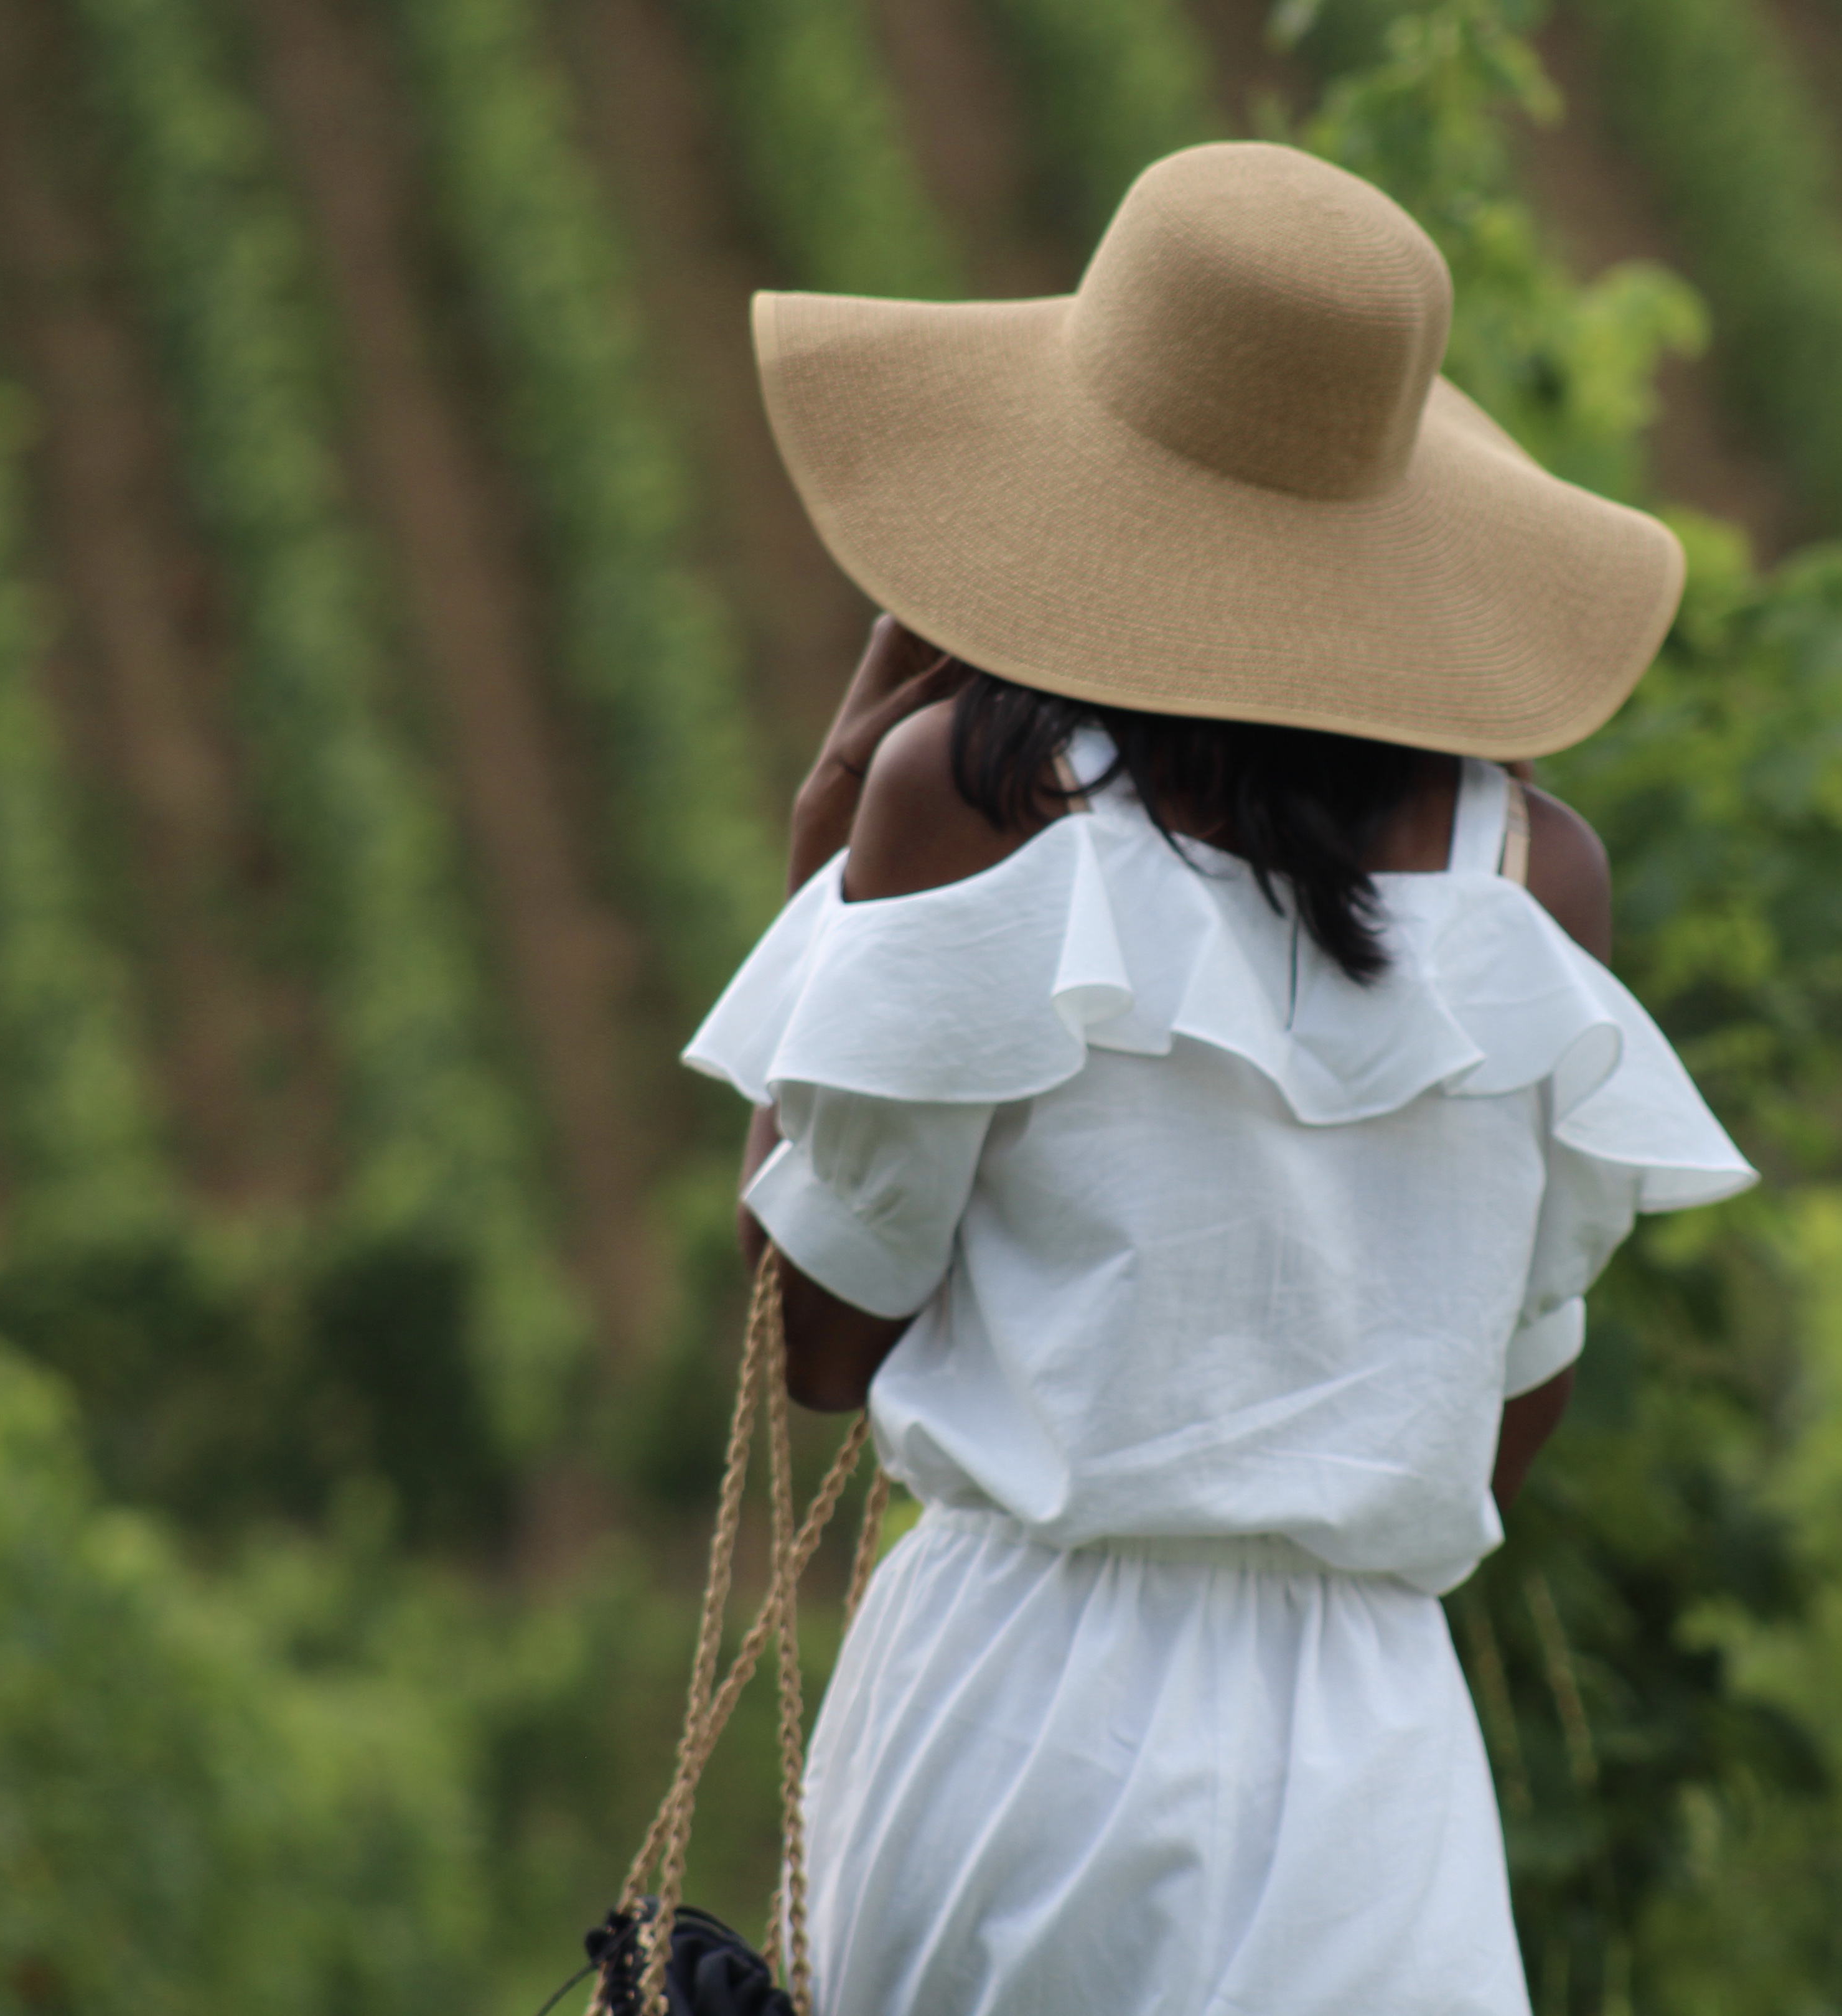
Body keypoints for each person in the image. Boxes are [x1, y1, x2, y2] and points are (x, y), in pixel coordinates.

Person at [683, 141, 1756, 2016]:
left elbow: (818, 1343)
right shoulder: (1532, 879)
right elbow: (1500, 1415)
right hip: (1366, 1755)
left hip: (1020, 1715)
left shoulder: (973, 798)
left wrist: (828, 858)